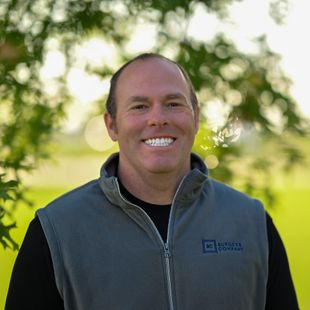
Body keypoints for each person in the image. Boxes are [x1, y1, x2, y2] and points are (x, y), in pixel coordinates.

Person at [6, 53, 298, 310]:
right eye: (139, 107)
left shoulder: (252, 223)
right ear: (112, 125)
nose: (158, 118)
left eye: (173, 103)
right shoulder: (56, 231)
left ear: (195, 118)